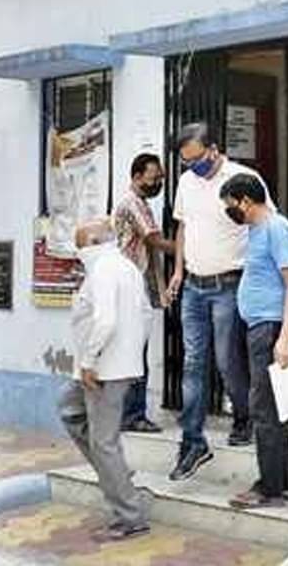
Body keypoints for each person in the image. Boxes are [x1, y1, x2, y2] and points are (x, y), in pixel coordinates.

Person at [166, 122, 273, 481]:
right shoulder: (186, 182)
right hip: (193, 287)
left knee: (228, 361)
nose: (191, 166)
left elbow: (264, 224)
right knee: (193, 363)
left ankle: (243, 416)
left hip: (229, 284)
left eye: (196, 159)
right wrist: (178, 271)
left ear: (214, 149)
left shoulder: (243, 178)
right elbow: (182, 228)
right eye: (185, 161)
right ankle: (192, 441)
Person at [58, 218, 153, 542]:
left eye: (82, 245)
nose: (79, 251)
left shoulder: (103, 270)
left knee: (104, 442)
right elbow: (146, 315)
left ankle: (130, 515)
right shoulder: (126, 268)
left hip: (101, 371)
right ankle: (119, 478)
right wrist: (132, 353)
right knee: (69, 411)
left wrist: (89, 361)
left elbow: (106, 320)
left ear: (98, 241)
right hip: (112, 366)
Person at [219, 173, 288, 509]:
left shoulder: (276, 228)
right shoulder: (255, 230)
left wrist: (284, 339)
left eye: (231, 206)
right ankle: (284, 483)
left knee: (263, 409)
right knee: (273, 408)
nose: (230, 212)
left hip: (271, 329)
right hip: (260, 326)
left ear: (246, 201)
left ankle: (268, 488)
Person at [112, 153, 175, 434]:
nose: (158, 182)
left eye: (160, 178)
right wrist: (186, 249)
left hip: (140, 286)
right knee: (135, 352)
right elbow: (152, 239)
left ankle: (130, 413)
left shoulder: (141, 203)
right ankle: (133, 414)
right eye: (154, 177)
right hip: (132, 287)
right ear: (137, 176)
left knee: (135, 350)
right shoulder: (132, 203)